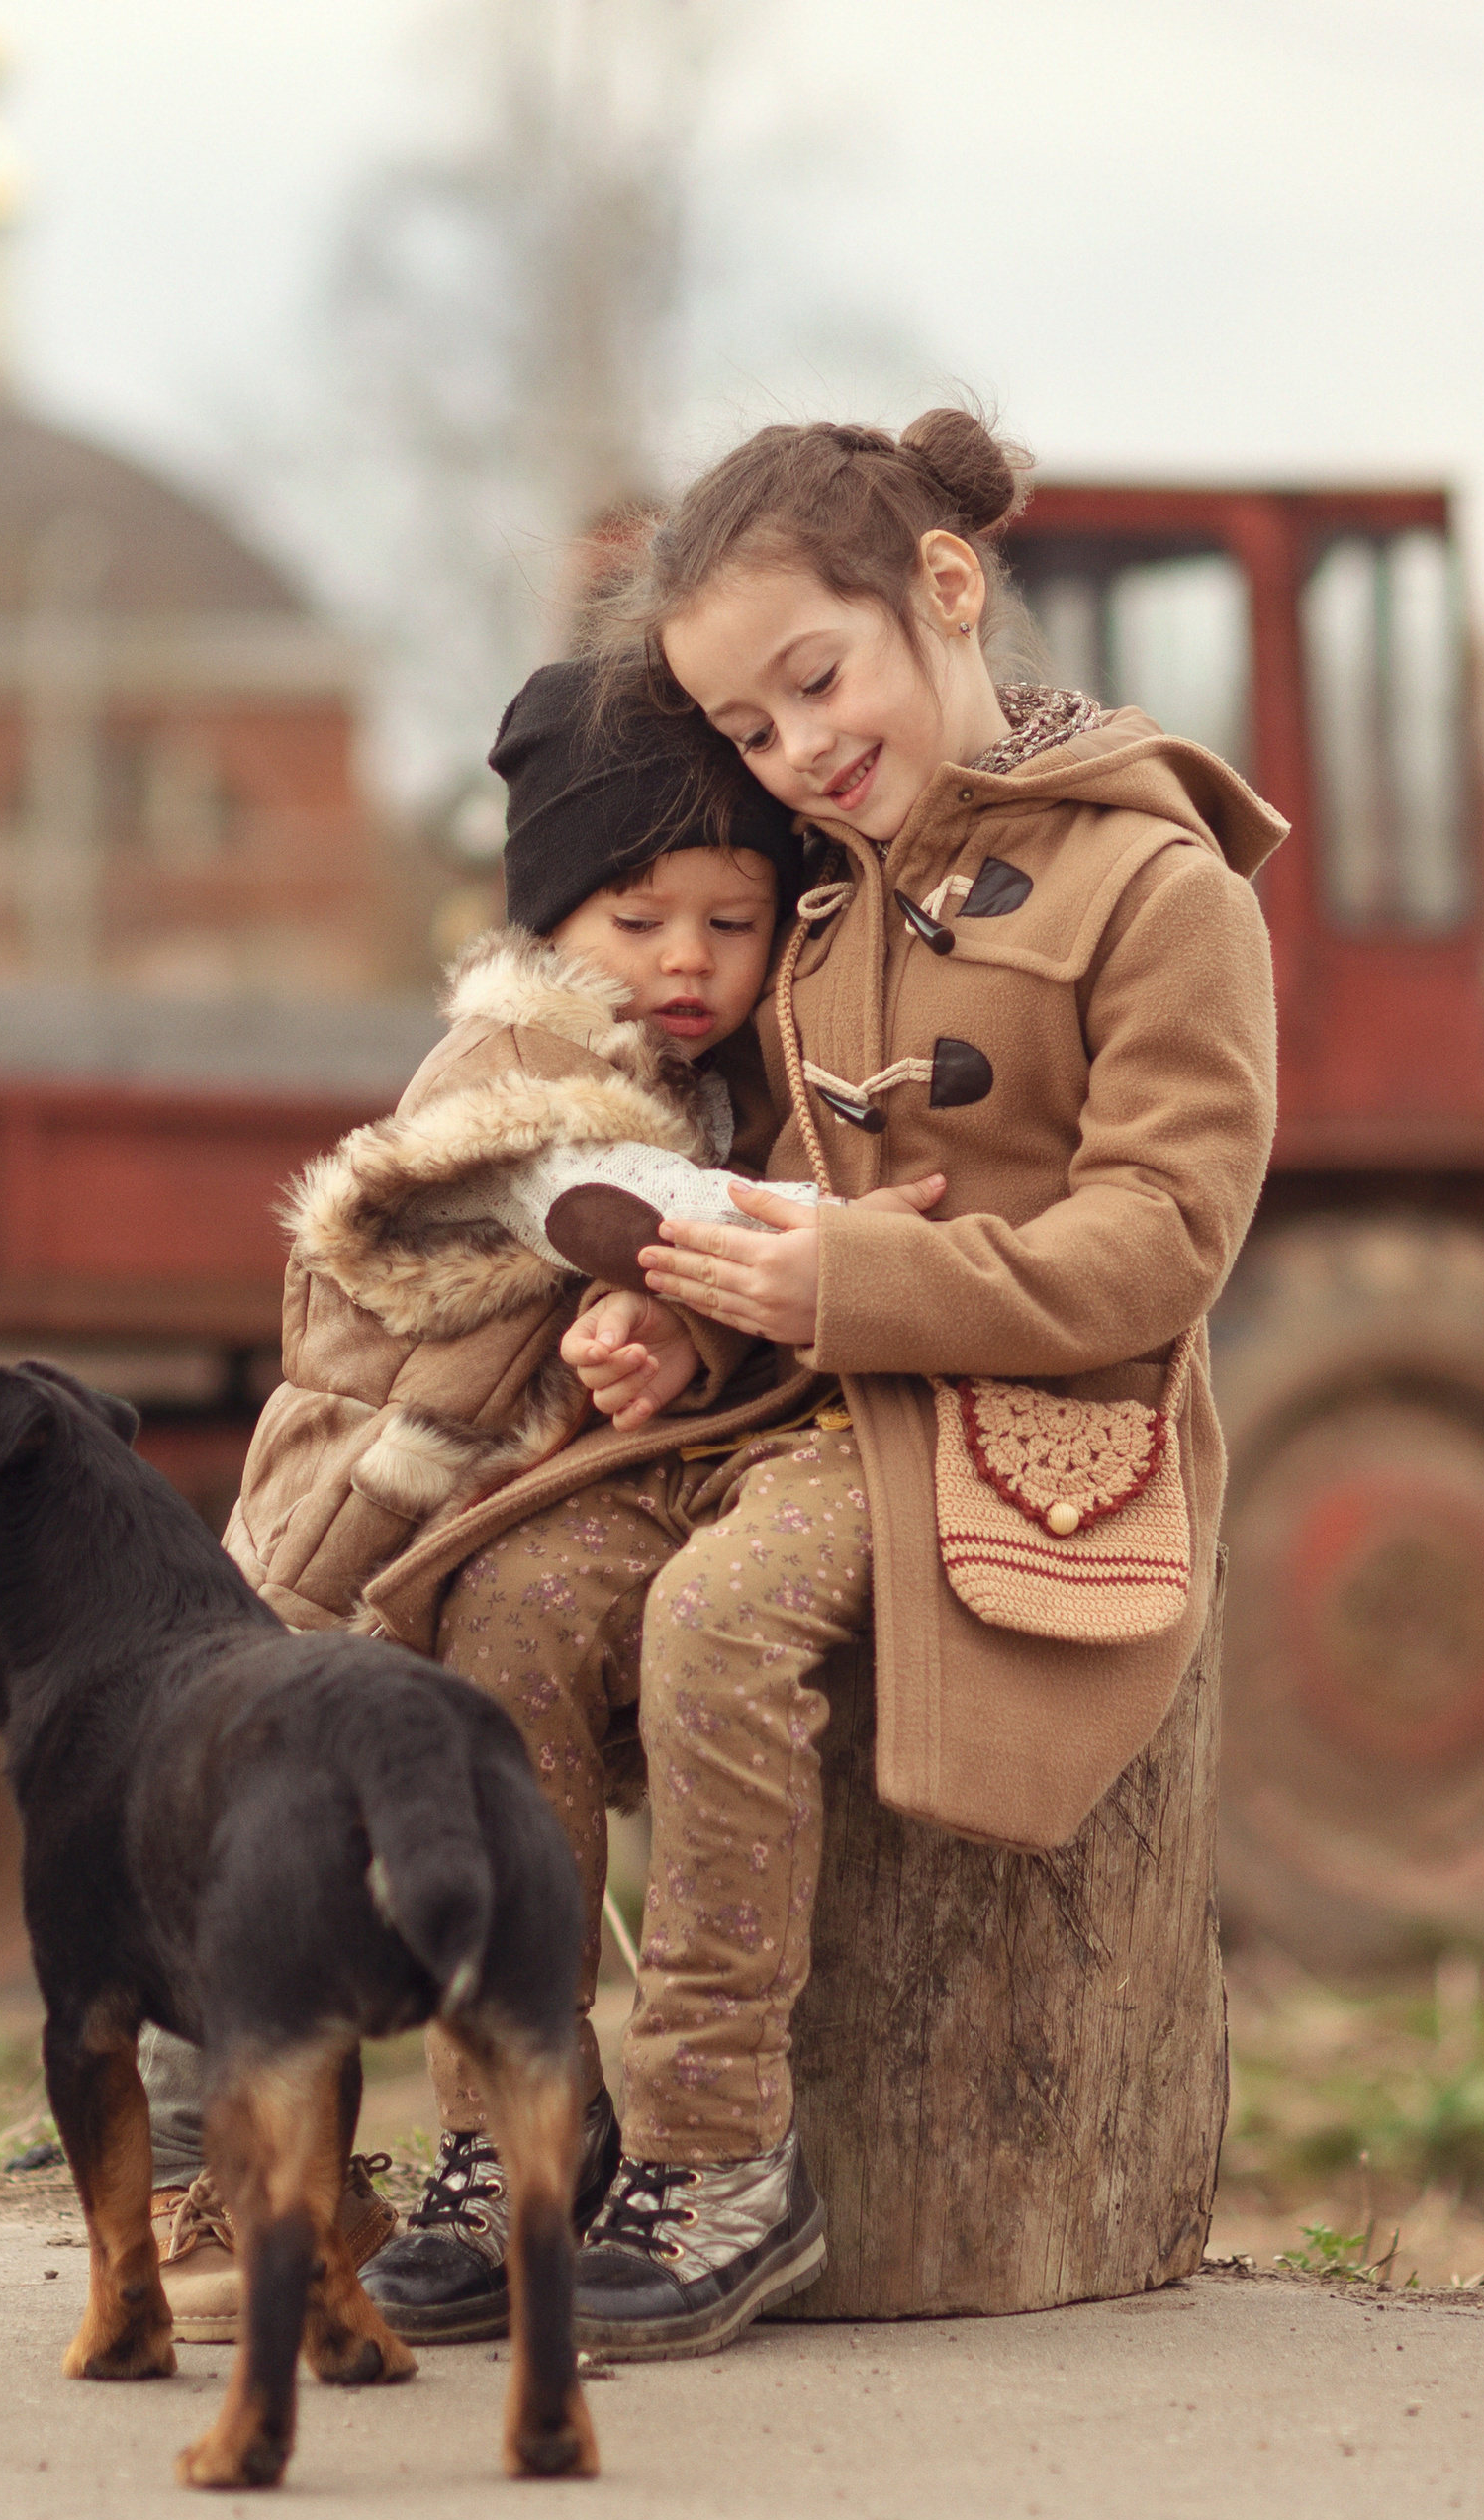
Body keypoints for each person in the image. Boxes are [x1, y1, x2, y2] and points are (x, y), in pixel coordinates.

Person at [349, 409, 1285, 2362]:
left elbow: (1160, 1247)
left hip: (1006, 1416)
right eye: (749, 725)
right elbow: (788, 1179)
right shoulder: (820, 891)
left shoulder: (1154, 885)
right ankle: (512, 2117)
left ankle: (715, 2154)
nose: (791, 748)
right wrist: (690, 1314)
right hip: (786, 1397)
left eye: (811, 679)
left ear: (942, 591)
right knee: (500, 1607)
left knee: (717, 1618)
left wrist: (843, 1274)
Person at [145, 653, 938, 2340]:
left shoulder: (708, 1080)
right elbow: (591, 1188)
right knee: (253, 1837)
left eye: (732, 925)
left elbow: (621, 1316)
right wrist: (806, 1238)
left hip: (467, 1516)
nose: (687, 963)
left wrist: (667, 1347)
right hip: (348, 1521)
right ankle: (184, 2181)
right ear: (555, 917)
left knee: (405, 1835)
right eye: (640, 919)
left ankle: (504, 2148)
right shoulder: (519, 1054)